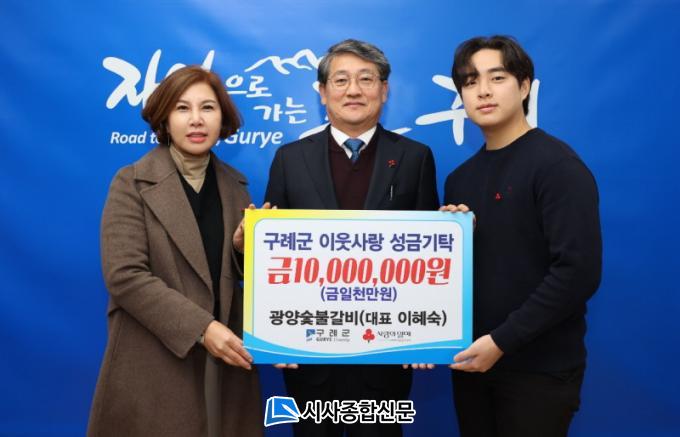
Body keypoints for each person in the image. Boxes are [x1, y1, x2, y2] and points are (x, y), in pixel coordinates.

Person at [264, 39, 439, 436]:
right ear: (323, 92)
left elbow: (429, 261)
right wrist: (275, 337)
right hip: (309, 355)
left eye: (366, 79)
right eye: (341, 80)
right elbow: (272, 259)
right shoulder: (290, 159)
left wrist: (426, 338)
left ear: (384, 89)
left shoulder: (415, 158)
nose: (354, 90)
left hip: (386, 356)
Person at [88, 66, 262, 437]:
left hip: (225, 365)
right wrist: (202, 328)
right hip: (155, 361)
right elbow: (124, 276)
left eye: (208, 108)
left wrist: (241, 250)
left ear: (222, 118)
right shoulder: (132, 182)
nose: (196, 119)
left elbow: (233, 277)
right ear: (165, 119)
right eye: (183, 108)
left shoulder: (236, 187)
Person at [442, 36, 602, 437]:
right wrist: (450, 243)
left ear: (525, 85)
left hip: (538, 371)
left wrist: (501, 341)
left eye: (497, 77)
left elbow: (577, 272)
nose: (483, 90)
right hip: (473, 364)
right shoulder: (459, 179)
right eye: (470, 81)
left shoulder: (557, 166)